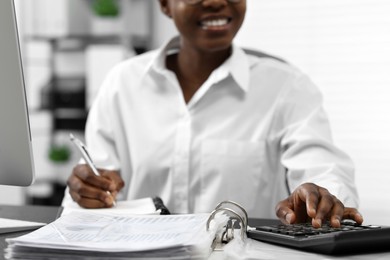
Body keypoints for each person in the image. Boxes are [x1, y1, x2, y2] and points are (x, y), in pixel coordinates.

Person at [64, 0, 363, 228]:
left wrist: (322, 196)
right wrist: (87, 191)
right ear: (165, 5)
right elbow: (92, 186)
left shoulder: (288, 88)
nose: (216, 1)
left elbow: (326, 172)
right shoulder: (123, 84)